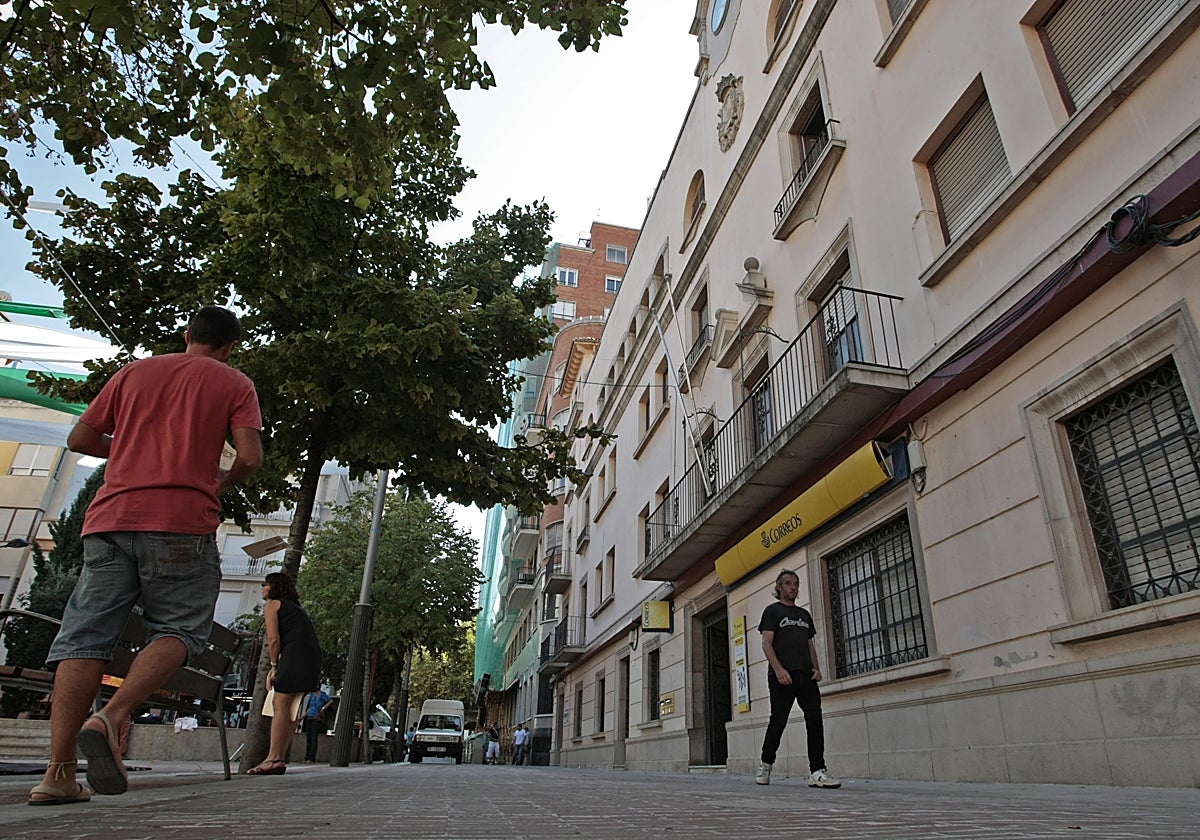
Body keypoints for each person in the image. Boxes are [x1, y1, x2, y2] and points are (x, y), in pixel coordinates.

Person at [29, 306, 262, 806]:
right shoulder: (234, 382)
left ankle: (57, 774)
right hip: (181, 522)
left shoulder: (133, 372)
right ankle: (113, 716)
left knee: (84, 638)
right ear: (229, 346)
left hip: (110, 521)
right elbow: (249, 456)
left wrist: (135, 448)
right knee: (180, 629)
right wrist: (220, 482)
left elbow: (81, 438)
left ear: (186, 335)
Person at [756, 568, 840, 789]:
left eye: (795, 583)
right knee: (778, 721)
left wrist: (817, 668)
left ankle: (817, 770)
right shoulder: (772, 611)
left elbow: (809, 644)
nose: (792, 587)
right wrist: (779, 670)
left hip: (806, 676)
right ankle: (766, 764)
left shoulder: (804, 616)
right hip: (782, 676)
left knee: (815, 719)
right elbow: (766, 643)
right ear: (779, 587)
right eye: (787, 583)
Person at [247, 572, 323, 775]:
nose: (263, 588)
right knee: (290, 709)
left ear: (274, 587)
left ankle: (273, 758)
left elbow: (273, 639)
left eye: (266, 584)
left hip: (294, 654)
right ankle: (279, 758)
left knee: (279, 705)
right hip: (312, 656)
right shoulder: (296, 609)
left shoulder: (273, 605)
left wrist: (274, 666)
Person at [302, 686, 333, 764]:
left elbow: (330, 701)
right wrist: (302, 717)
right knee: (308, 737)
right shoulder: (311, 695)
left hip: (317, 716)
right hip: (310, 716)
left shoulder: (322, 695)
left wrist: (323, 708)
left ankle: (312, 758)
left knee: (313, 737)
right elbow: (310, 707)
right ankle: (307, 757)